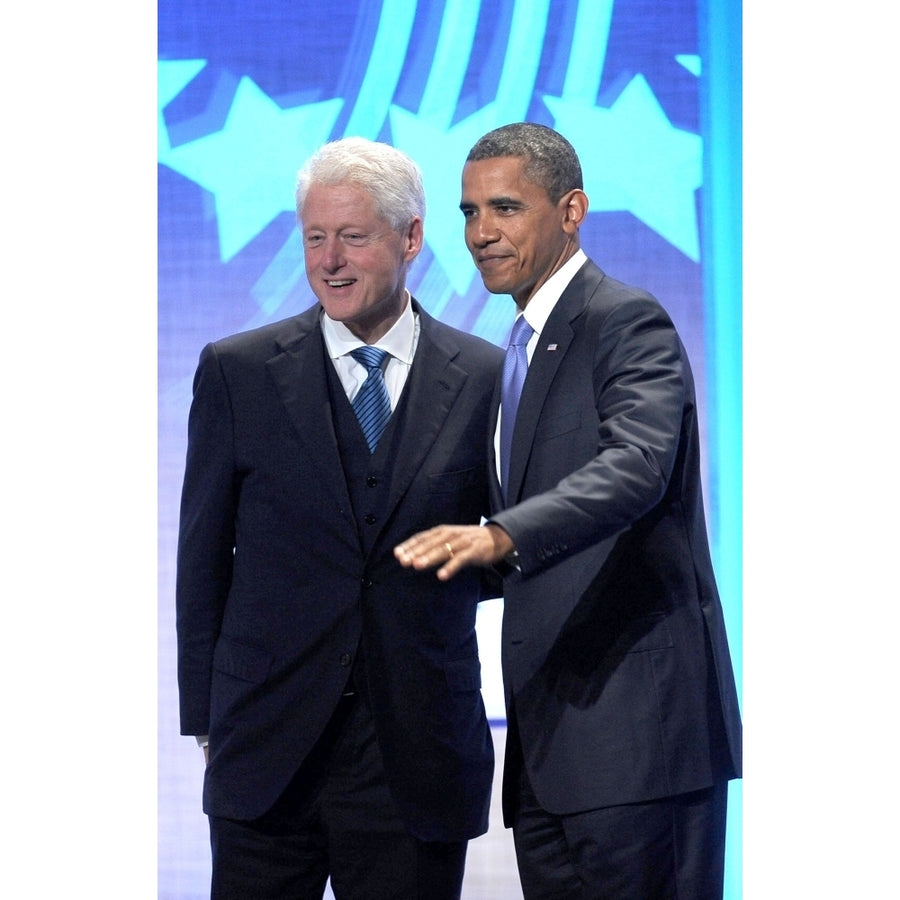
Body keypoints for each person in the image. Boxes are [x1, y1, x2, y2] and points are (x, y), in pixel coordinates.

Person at [395, 122, 743, 899]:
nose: (481, 233)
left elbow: (638, 466)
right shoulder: (515, 350)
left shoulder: (624, 320)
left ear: (572, 209)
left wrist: (500, 535)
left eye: (506, 209)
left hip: (639, 745)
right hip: (551, 754)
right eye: (469, 212)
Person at [176, 136, 503, 900]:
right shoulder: (238, 371)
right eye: (315, 237)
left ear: (412, 237)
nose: (329, 259)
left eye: (353, 236)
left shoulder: (487, 377)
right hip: (266, 749)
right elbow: (201, 557)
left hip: (417, 750)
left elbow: (507, 541)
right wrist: (206, 715)